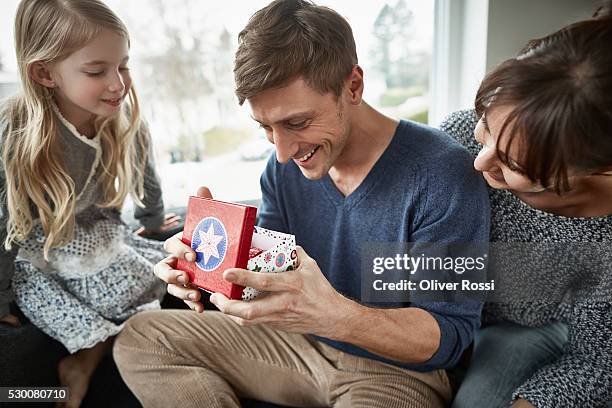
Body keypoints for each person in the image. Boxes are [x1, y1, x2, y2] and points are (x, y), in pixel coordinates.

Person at [113, 1, 490, 407]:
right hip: (293, 345)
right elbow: (265, 279)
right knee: (142, 339)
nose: (281, 151)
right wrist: (207, 267)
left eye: (297, 123)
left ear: (353, 86)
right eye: (266, 128)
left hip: (396, 371)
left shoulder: (441, 174)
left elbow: (449, 336)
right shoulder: (284, 170)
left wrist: (334, 314)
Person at [0, 0, 179, 406]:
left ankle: (99, 355)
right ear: (45, 73)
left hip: (100, 235)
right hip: (42, 252)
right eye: (97, 71)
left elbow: (143, 161)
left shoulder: (116, 113)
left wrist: (151, 220)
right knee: (111, 295)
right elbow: (3, 222)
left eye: (124, 66)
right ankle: (84, 359)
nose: (118, 83)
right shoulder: (19, 134)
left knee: (161, 271)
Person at [441, 13, 612, 408]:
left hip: (554, 329)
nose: (480, 163)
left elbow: (599, 361)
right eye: (485, 125)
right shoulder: (458, 139)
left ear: (596, 170)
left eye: (513, 165)